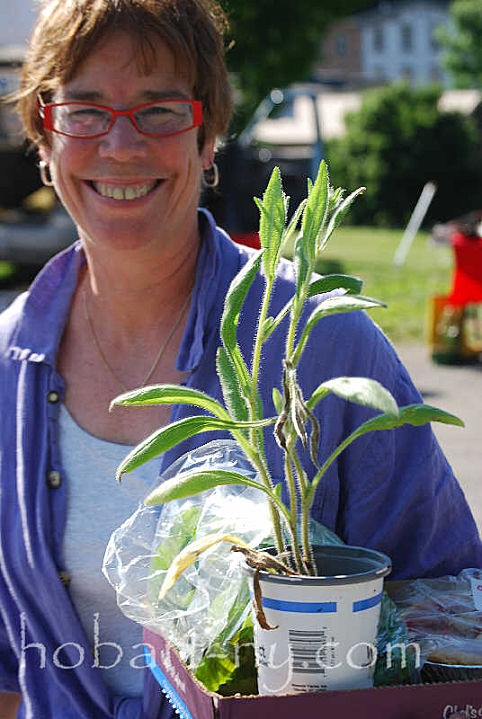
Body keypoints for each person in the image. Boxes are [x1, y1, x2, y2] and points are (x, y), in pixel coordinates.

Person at [0, 0, 480, 717]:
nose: (121, 146)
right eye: (86, 110)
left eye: (159, 110)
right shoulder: (10, 364)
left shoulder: (313, 341)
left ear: (208, 133)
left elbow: (450, 608)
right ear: (44, 131)